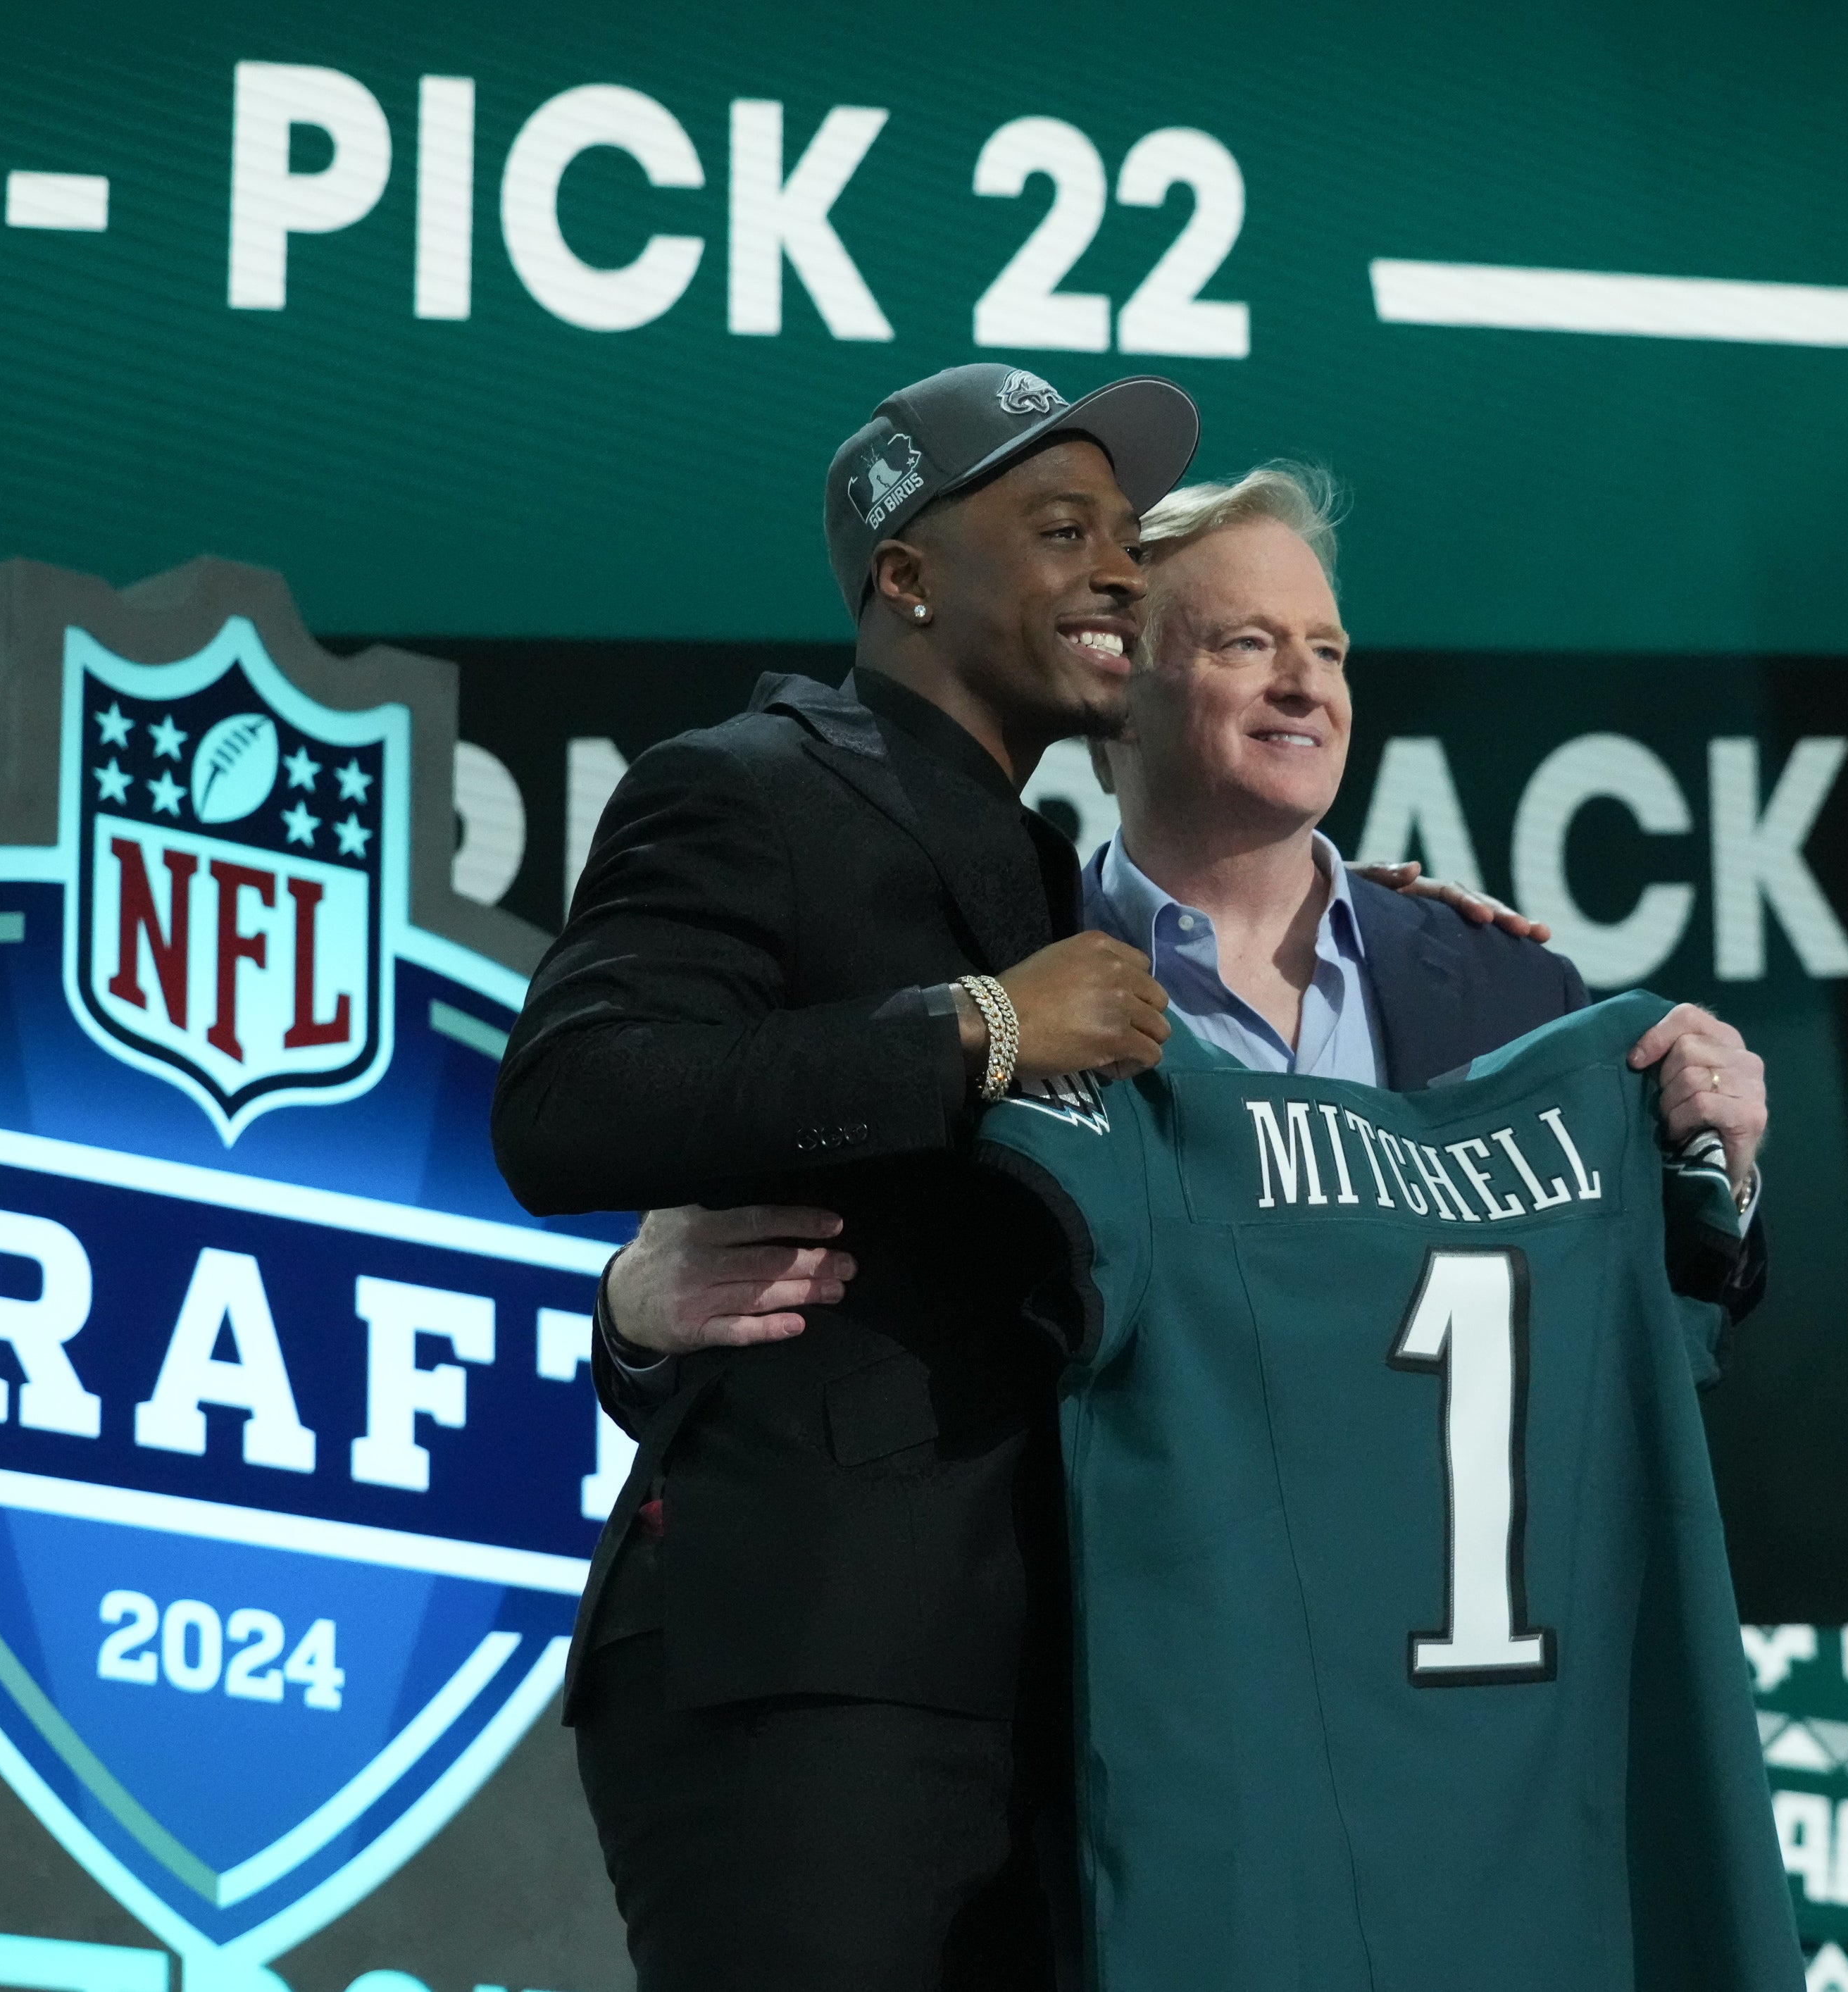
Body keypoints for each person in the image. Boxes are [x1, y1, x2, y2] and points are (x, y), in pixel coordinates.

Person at [492, 361, 1199, 1992]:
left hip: (1038, 1676)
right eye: (1061, 528)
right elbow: (571, 1104)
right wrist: (976, 1029)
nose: (1120, 571)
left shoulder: (1049, 872)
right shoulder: (745, 780)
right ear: (905, 573)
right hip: (809, 1655)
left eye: (1130, 538)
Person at [611, 464, 1766, 1376]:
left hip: (1435, 1659)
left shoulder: (1504, 987)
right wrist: (632, 1320)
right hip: (1134, 1650)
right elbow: (855, 1347)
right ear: (1116, 693)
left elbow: (1647, 1326)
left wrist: (1723, 1170)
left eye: (1326, 651)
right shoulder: (991, 981)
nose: (1304, 686)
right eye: (1245, 644)